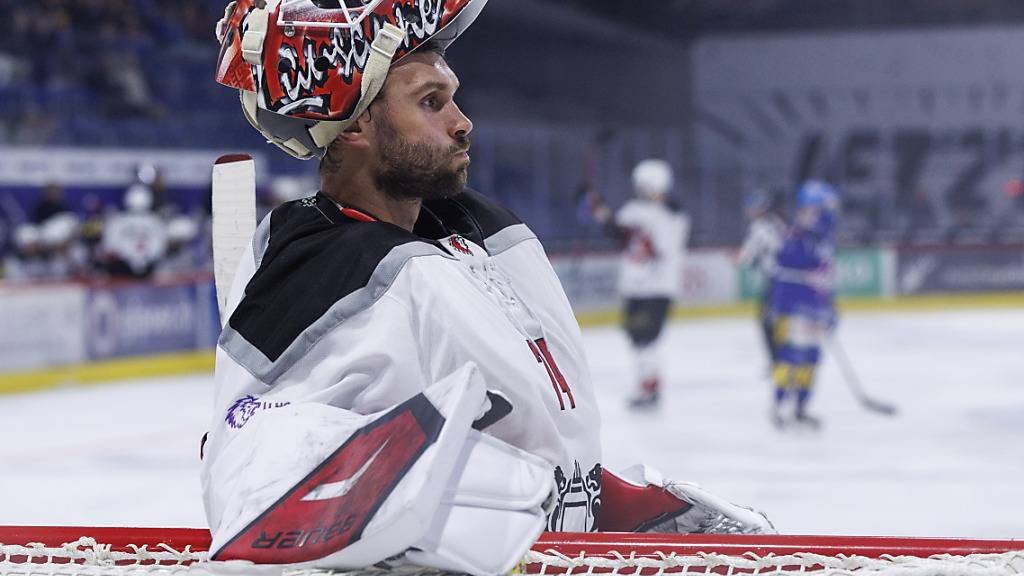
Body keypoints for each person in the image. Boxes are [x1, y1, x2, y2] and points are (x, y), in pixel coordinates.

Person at [202, 2, 773, 574]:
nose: (462, 121)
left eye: (453, 97)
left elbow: (531, 439)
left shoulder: (478, 229)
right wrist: (460, 511)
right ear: (353, 126)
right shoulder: (325, 268)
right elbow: (258, 469)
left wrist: (604, 501)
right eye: (431, 102)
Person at [588, 160, 689, 409]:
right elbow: (618, 234)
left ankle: (649, 385)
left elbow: (661, 245)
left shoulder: (671, 216)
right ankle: (646, 383)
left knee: (647, 338)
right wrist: (602, 214)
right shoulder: (636, 211)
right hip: (635, 286)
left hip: (657, 287)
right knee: (636, 338)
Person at [767, 181, 839, 430]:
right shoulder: (795, 236)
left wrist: (829, 309)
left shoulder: (823, 238)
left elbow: (826, 277)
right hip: (793, 307)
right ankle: (779, 406)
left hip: (814, 308)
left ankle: (801, 407)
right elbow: (785, 265)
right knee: (791, 356)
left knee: (811, 357)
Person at [737, 188, 786, 368]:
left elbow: (746, 256)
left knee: (767, 322)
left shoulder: (759, 228)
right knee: (779, 320)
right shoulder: (778, 223)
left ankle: (778, 360)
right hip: (785, 279)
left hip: (775, 280)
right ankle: (784, 359)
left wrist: (743, 260)